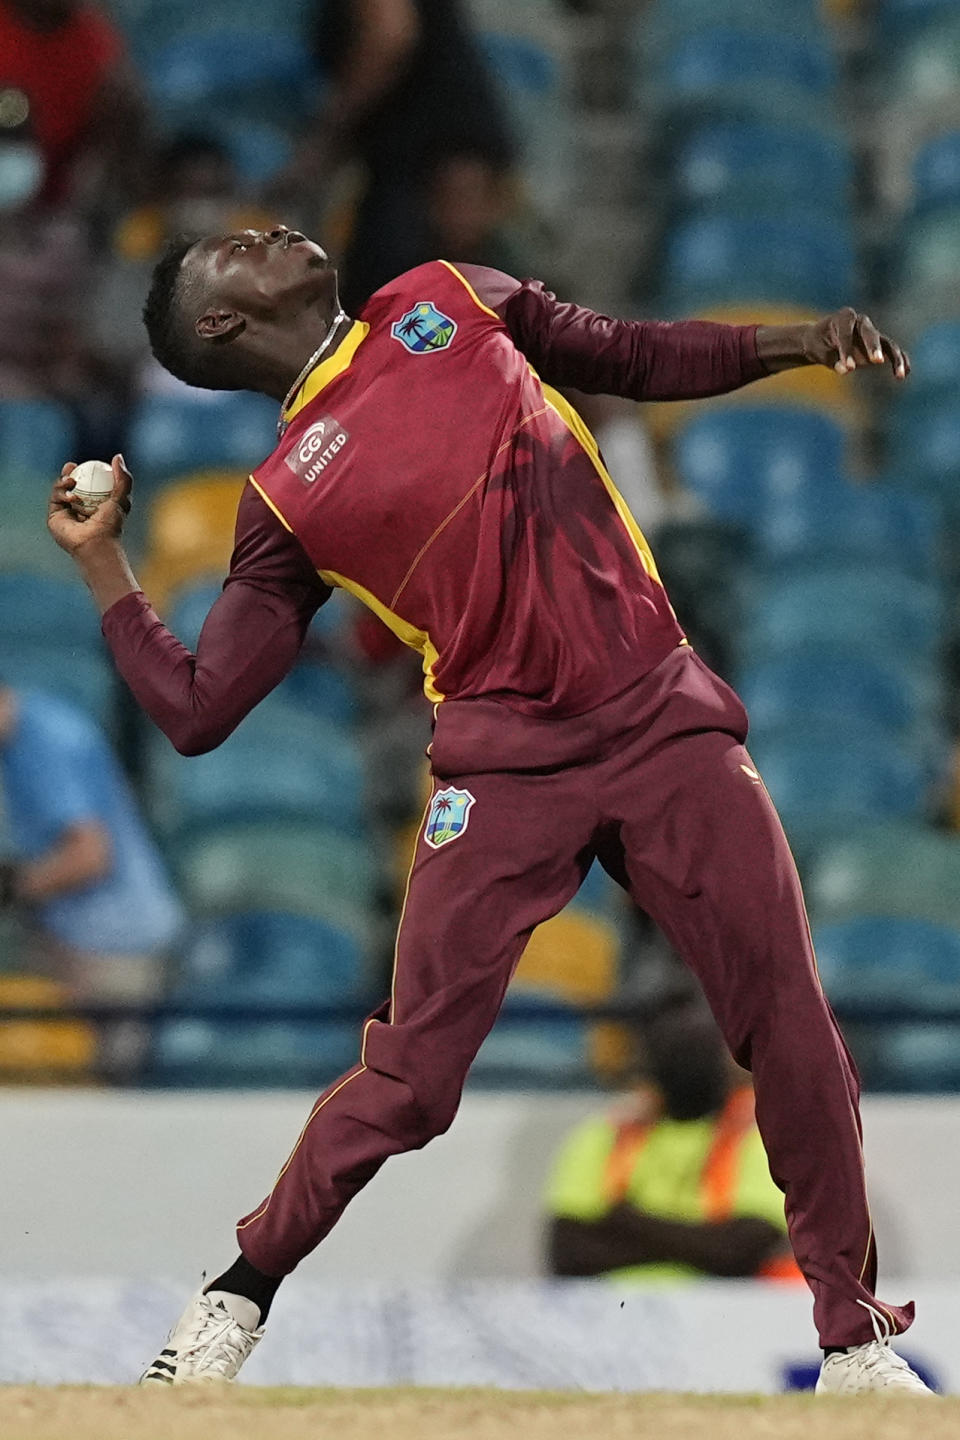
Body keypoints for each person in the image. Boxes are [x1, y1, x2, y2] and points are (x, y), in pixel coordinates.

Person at [46, 224, 928, 1395]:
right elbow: (200, 709)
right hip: (504, 771)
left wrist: (796, 342)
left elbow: (625, 354)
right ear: (221, 322)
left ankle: (854, 1339)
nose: (265, 227)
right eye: (233, 250)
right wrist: (105, 565)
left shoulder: (447, 292)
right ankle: (232, 1300)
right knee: (412, 1078)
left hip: (663, 715)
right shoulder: (282, 498)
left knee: (791, 1018)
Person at [0, 684, 185, 1076]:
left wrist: (14, 886)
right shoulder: (24, 736)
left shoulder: (46, 741)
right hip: (80, 942)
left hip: (115, 949)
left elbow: (89, 856)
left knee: (108, 1095)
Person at [546, 1005, 802, 1285]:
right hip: (613, 1317)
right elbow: (569, 1252)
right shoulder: (603, 1137)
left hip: (722, 1317)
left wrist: (627, 1221)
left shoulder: (756, 1138)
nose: (686, 1063)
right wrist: (702, 1244)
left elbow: (744, 1250)